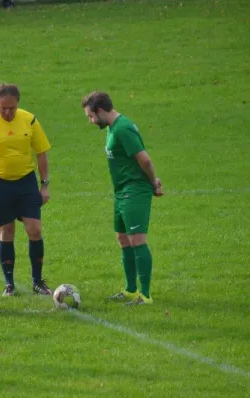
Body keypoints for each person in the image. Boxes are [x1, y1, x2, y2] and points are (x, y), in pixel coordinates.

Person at [81, 91, 164, 305]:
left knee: (137, 240)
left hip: (134, 190)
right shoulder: (112, 128)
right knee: (123, 238)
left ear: (100, 111)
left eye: (90, 116)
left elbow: (144, 160)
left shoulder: (123, 128)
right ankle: (130, 289)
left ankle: (144, 295)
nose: (90, 121)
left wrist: (154, 182)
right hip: (121, 191)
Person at [0, 84, 52, 297]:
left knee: (35, 229)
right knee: (6, 231)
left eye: (12, 108)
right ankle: (9, 284)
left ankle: (37, 281)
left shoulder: (29, 120)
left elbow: (41, 153)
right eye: (3, 107)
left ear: (18, 104)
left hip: (26, 182)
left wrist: (45, 185)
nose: (7, 112)